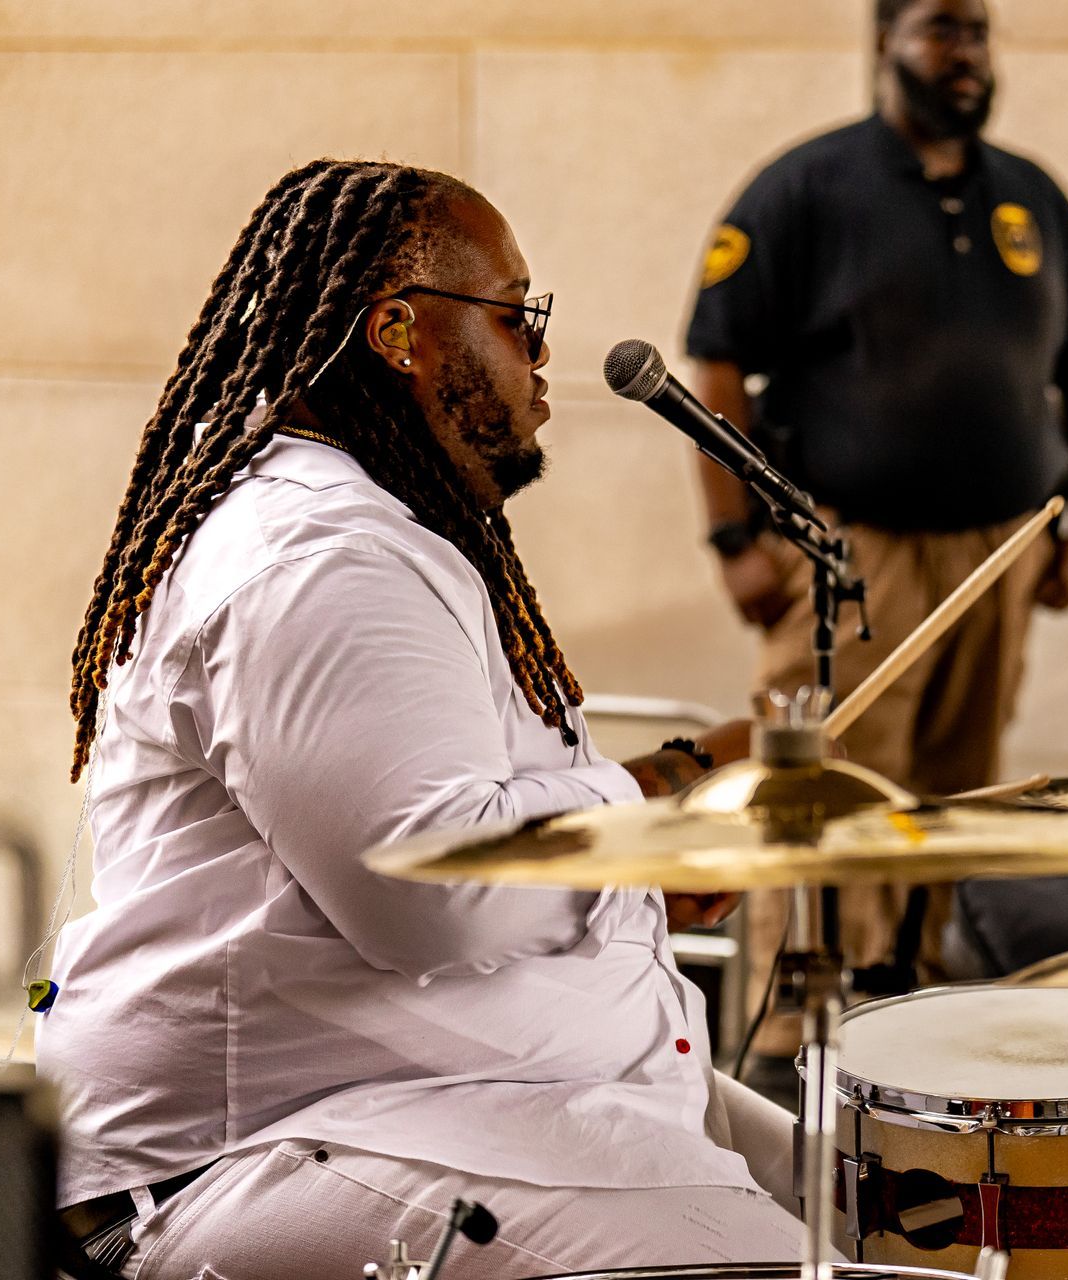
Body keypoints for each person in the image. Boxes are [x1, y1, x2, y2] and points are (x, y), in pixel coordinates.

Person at [44, 159, 806, 1280]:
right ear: (398, 330)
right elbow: (429, 889)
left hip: (449, 1100)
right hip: (261, 1148)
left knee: (890, 1196)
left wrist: (631, 851)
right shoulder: (322, 558)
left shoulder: (374, 525)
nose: (540, 355)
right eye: (515, 316)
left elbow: (458, 813)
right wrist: (659, 798)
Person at [684, 0, 1068, 1057]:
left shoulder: (1034, 197)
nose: (964, 51)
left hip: (997, 551)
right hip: (848, 551)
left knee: (954, 791)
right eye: (940, 28)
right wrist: (735, 537)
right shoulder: (807, 186)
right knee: (824, 786)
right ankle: (793, 1034)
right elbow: (712, 362)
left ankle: (916, 1017)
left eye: (978, 31)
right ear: (883, 41)